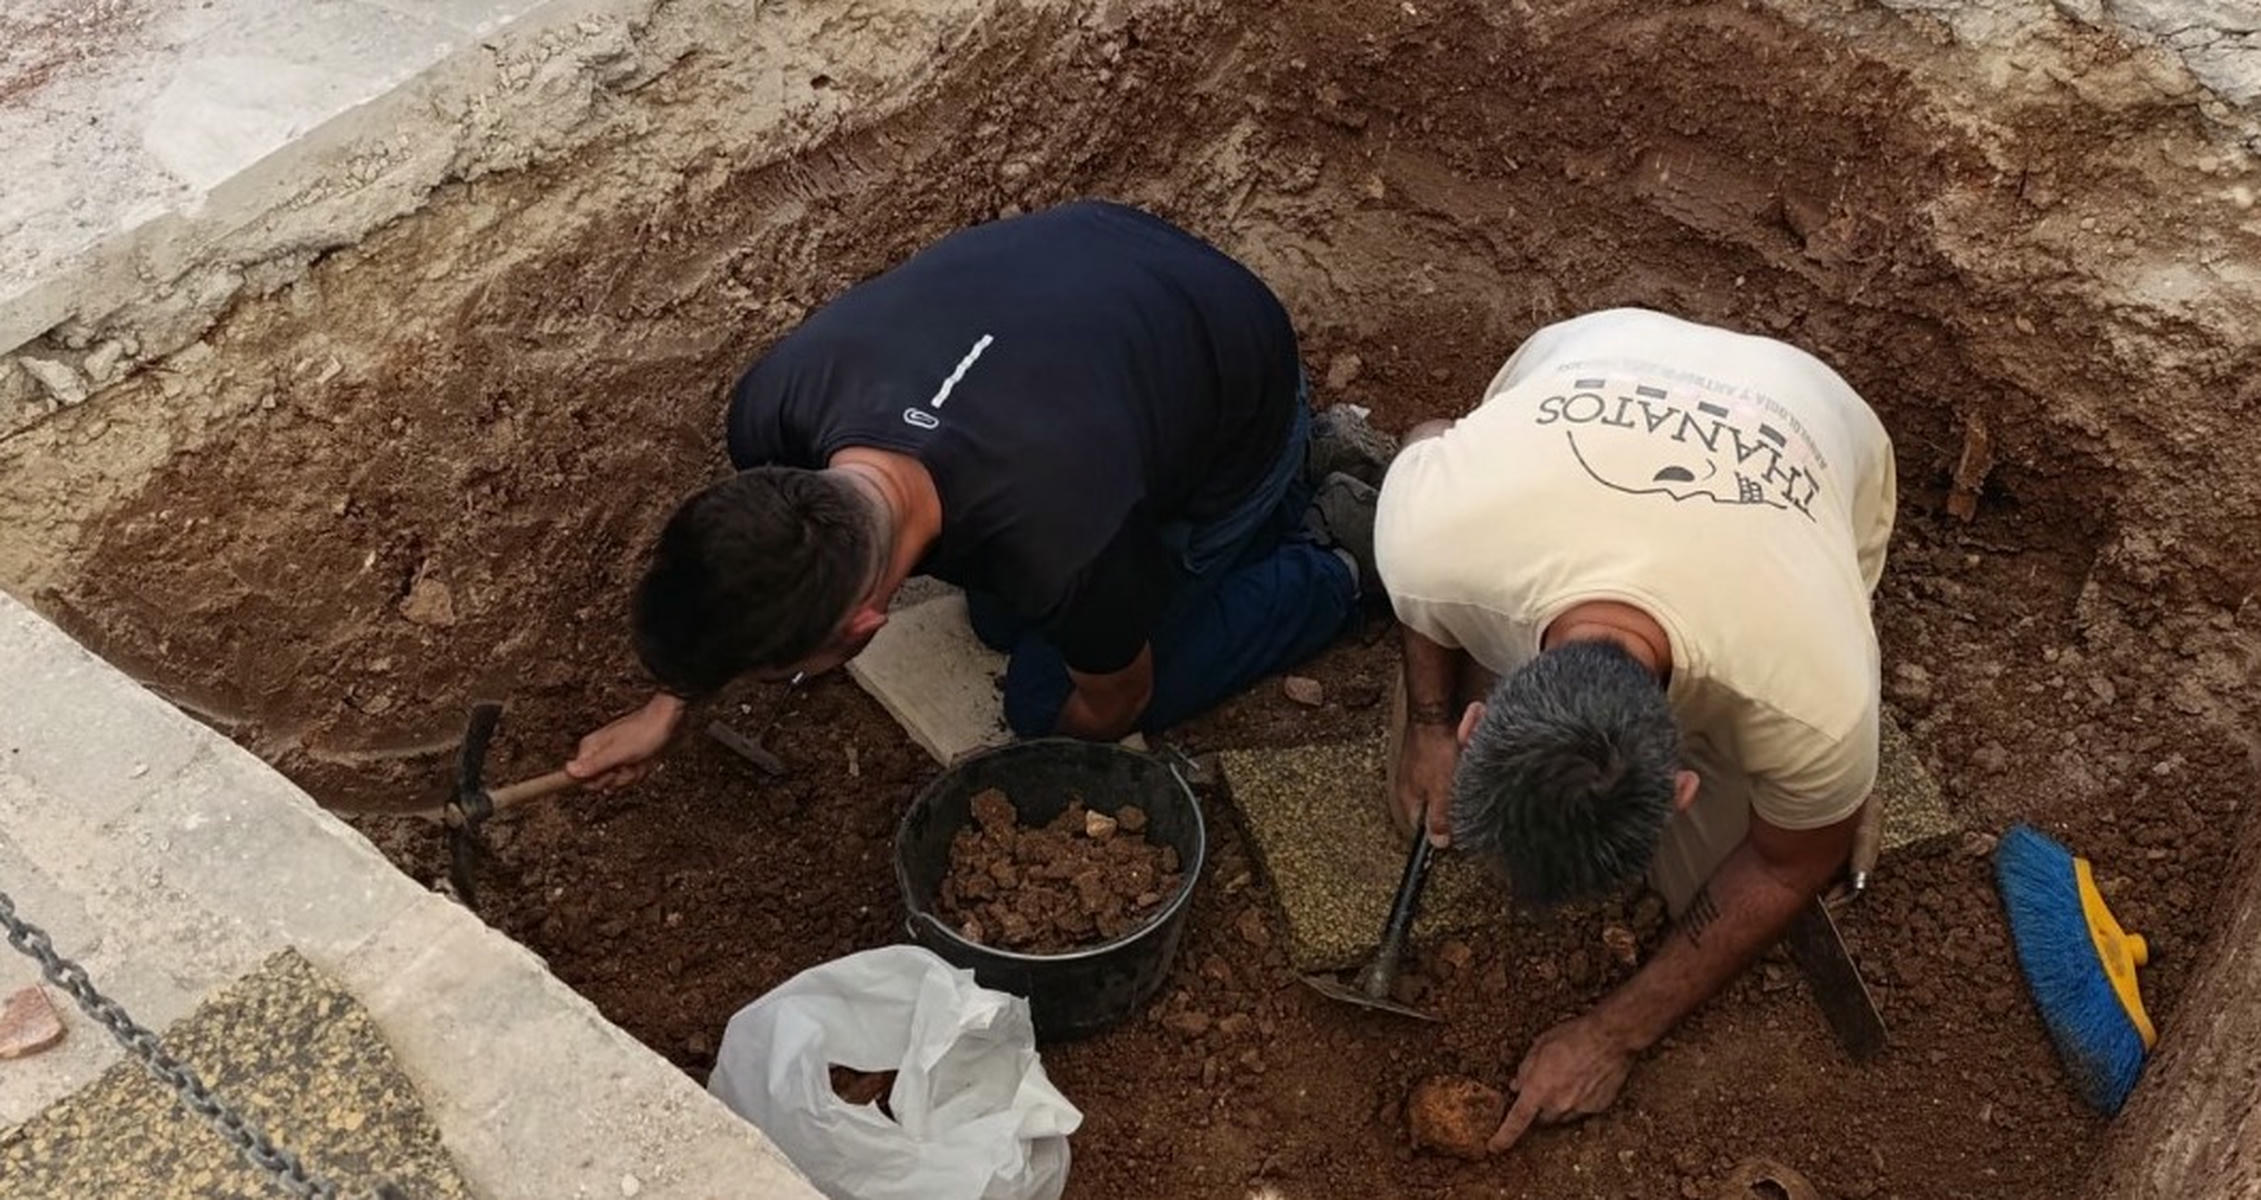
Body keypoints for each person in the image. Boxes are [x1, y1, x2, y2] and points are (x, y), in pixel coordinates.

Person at [567, 200, 1381, 787]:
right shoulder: (773, 410)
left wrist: (1034, 780)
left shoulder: (1063, 544)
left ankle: (1335, 552)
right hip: (1104, 263)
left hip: (1242, 399)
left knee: (1044, 698)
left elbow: (1116, 700)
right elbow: (728, 573)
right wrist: (667, 704)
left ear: (864, 625)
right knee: (998, 618)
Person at [1373, 307, 1897, 1152]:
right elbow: (1423, 447)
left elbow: (1786, 864)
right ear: (1477, 720)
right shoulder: (1427, 535)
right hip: (1599, 346)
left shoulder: (1811, 697)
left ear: (1684, 784)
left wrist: (1615, 1033)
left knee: (1726, 874)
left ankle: (1844, 791)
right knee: (1416, 799)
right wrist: (1424, 729)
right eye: (1456, 726)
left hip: (1811, 407)